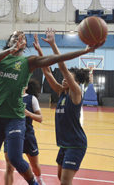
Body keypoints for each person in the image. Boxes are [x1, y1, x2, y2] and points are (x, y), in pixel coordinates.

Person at [0, 30, 98, 185]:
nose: (18, 39)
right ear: (9, 40)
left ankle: (35, 182)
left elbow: (58, 63)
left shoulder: (29, 63)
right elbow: (47, 72)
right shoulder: (60, 91)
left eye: (22, 38)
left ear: (24, 45)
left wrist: (83, 51)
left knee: (17, 159)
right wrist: (39, 48)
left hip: (20, 120)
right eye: (15, 36)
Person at [33, 29, 92, 185]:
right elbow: (46, 71)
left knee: (65, 181)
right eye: (65, 79)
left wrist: (53, 44)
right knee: (61, 177)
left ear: (76, 82)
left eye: (68, 79)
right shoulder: (61, 92)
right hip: (64, 144)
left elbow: (63, 67)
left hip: (76, 144)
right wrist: (40, 52)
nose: (65, 80)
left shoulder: (76, 92)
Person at [4, 79, 46, 185]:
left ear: (27, 87)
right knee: (9, 167)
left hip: (27, 136)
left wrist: (29, 114)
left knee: (35, 166)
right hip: (11, 134)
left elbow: (40, 118)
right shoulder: (9, 98)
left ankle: (39, 180)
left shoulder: (32, 99)